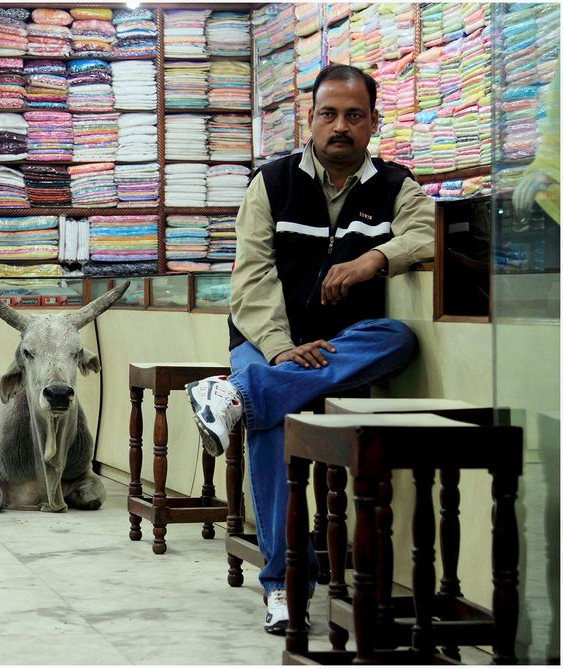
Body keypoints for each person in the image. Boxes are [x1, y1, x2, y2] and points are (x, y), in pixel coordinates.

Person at [185, 64, 435, 634]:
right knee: (274, 420)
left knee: (396, 337)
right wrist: (278, 351)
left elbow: (428, 232)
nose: (340, 126)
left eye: (353, 115)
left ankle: (234, 397)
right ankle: (283, 582)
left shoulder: (396, 187)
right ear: (311, 119)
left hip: (343, 343)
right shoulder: (271, 183)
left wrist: (375, 258)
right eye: (329, 114)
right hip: (263, 340)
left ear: (373, 121)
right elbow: (250, 281)